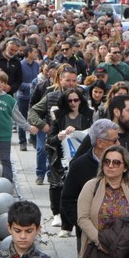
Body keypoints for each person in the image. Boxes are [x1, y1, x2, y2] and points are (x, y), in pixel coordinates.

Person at [60, 119, 120, 252]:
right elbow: (67, 200)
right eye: (114, 141)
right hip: (87, 238)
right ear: (100, 143)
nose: (119, 144)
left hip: (118, 236)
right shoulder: (79, 166)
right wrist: (83, 223)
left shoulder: (123, 163)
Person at [46, 88, 94, 237]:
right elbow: (50, 140)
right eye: (70, 100)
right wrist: (60, 136)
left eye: (76, 100)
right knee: (65, 190)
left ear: (81, 101)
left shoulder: (88, 115)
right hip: (63, 159)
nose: (73, 103)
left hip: (83, 158)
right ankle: (66, 225)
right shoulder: (59, 117)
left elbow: (92, 135)